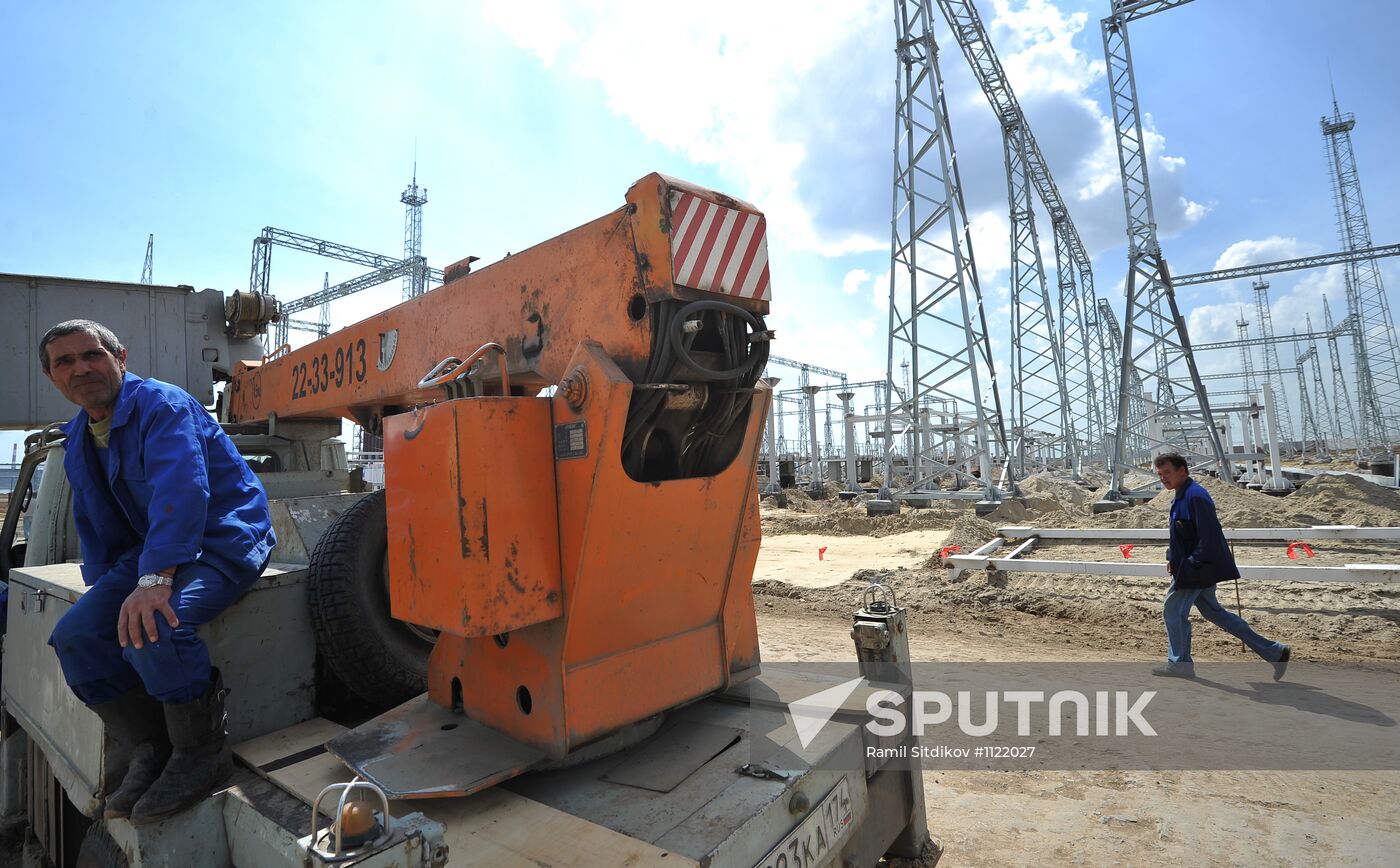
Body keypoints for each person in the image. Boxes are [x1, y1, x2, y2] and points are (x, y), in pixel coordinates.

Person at [39, 320, 276, 825]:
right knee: (78, 638)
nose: (81, 368)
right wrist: (110, 591)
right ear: (52, 377)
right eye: (65, 362)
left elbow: (182, 490)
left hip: (220, 537)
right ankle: (155, 749)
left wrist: (153, 583)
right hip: (154, 550)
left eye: (92, 355)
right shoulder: (79, 435)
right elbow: (97, 521)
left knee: (153, 628)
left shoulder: (163, 405)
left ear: (119, 357)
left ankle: (201, 753)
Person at [1152, 452, 1289, 680]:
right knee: (1215, 613)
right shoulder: (1181, 495)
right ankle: (1275, 652)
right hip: (1192, 566)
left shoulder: (1195, 496)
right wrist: (1171, 557)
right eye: (1160, 474)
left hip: (1195, 568)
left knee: (1173, 611)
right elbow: (1180, 535)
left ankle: (1179, 664)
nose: (1163, 478)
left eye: (1167, 473)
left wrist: (1191, 566)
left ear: (1182, 470)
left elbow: (1209, 536)